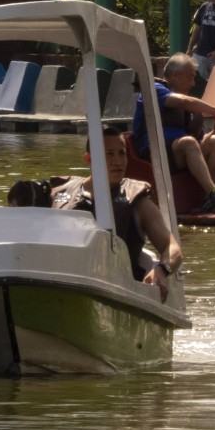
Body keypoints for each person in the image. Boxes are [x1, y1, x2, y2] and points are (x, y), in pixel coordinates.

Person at [38, 126, 184, 303]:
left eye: (122, 153)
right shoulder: (57, 192)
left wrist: (162, 270)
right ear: (89, 159)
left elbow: (173, 248)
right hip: (59, 281)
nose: (118, 161)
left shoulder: (139, 202)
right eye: (109, 154)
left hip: (118, 291)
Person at [131, 53, 215, 213]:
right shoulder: (154, 89)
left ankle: (211, 198)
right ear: (175, 75)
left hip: (178, 152)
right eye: (190, 77)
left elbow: (199, 141)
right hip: (154, 152)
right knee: (188, 142)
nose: (193, 83)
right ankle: (213, 193)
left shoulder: (186, 108)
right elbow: (183, 102)